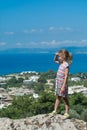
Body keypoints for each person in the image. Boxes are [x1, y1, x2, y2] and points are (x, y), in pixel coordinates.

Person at [50, 49, 72, 119]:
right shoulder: (61, 62)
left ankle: (67, 113)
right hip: (58, 83)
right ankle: (55, 110)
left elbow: (66, 76)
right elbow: (55, 60)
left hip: (62, 84)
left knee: (65, 98)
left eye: (60, 56)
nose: (59, 58)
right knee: (58, 97)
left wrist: (63, 86)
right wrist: (56, 56)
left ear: (63, 56)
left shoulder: (66, 65)